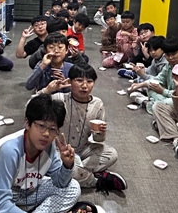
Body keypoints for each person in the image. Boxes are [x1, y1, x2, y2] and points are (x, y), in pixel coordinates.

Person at [41, 64, 126, 193]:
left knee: (111, 154)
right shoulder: (59, 99)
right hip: (59, 150)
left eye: (89, 81)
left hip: (83, 149)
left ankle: (75, 173)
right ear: (70, 82)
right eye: (79, 80)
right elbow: (30, 109)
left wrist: (100, 133)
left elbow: (98, 140)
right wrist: (47, 91)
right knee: (52, 161)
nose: (84, 85)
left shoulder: (97, 104)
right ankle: (96, 180)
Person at [143, 36, 178, 116]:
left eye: (173, 54)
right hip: (167, 95)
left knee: (166, 103)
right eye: (167, 55)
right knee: (150, 87)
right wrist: (143, 84)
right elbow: (159, 79)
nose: (170, 58)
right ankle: (156, 107)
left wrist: (162, 91)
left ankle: (151, 105)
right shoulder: (169, 64)